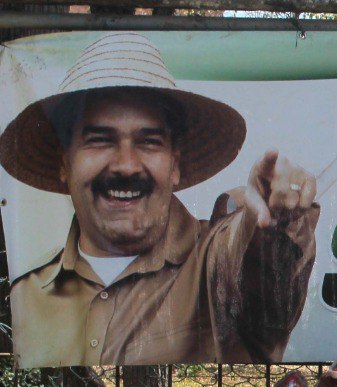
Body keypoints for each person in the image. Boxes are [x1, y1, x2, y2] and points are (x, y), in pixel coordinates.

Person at [0, 33, 319, 367]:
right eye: (100, 140)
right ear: (65, 165)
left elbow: (251, 262)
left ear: (175, 165)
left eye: (148, 141)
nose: (125, 165)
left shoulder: (211, 263)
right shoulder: (26, 295)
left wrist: (271, 221)